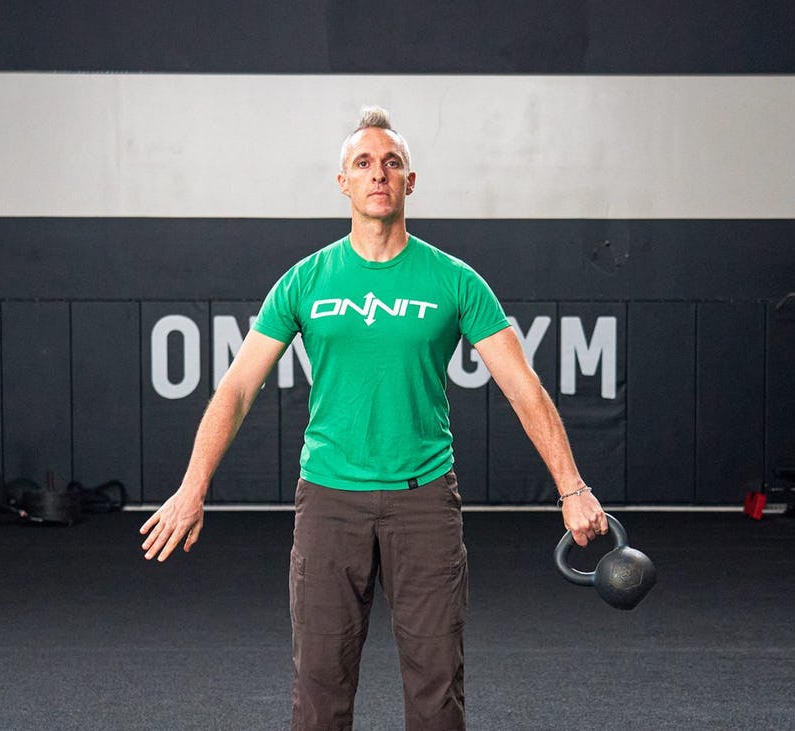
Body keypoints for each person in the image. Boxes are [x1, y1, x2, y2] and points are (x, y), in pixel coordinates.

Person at [140, 106, 607, 730]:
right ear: (343, 183)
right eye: (363, 163)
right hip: (330, 502)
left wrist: (571, 487)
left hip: (425, 502)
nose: (378, 174)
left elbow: (524, 388)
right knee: (319, 692)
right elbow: (236, 389)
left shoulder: (455, 280)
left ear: (410, 181)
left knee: (438, 693)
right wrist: (191, 489)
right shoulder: (305, 281)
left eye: (391, 163)